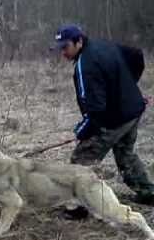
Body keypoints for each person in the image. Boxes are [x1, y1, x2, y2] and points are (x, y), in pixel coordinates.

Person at [53, 25, 154, 220]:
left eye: (65, 47)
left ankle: (78, 208)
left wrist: (81, 132)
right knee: (126, 154)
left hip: (113, 119)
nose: (63, 53)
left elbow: (95, 111)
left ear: (79, 41)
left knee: (81, 160)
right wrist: (128, 88)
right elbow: (136, 55)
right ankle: (148, 192)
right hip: (132, 111)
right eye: (60, 48)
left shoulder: (85, 65)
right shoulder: (105, 45)